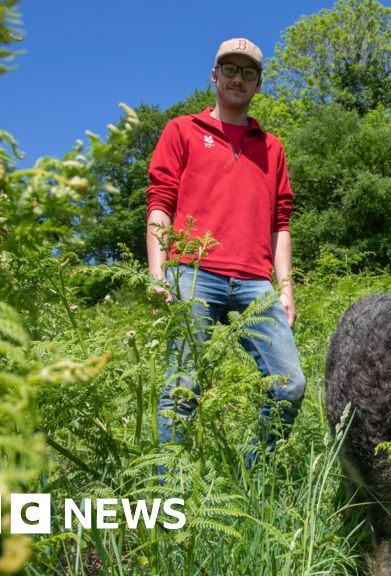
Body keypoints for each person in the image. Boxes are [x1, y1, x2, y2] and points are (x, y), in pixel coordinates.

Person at [146, 37, 305, 468]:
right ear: (214, 76)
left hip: (256, 281)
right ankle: (168, 494)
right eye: (230, 70)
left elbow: (281, 223)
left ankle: (251, 476)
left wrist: (286, 287)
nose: (238, 78)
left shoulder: (271, 147)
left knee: (288, 385)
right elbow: (160, 203)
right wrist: (158, 275)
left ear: (258, 85)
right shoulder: (182, 130)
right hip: (192, 273)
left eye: (248, 72)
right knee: (182, 389)